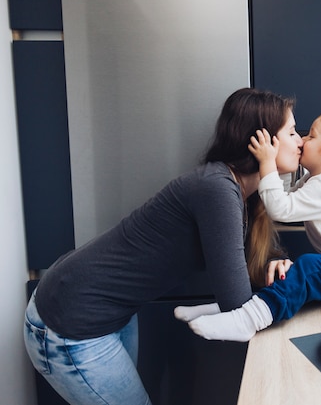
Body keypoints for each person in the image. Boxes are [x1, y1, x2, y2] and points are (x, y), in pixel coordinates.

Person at [23, 87, 302, 405]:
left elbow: (238, 258)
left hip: (111, 312)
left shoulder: (235, 192)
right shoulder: (218, 189)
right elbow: (237, 305)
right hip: (70, 323)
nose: (301, 141)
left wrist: (272, 263)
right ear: (262, 141)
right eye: (292, 132)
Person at [174, 111, 321, 342]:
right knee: (296, 274)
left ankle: (248, 320)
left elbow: (280, 209)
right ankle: (232, 308)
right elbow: (280, 197)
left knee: (308, 267)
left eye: (311, 136)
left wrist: (267, 162)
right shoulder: (316, 182)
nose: (302, 140)